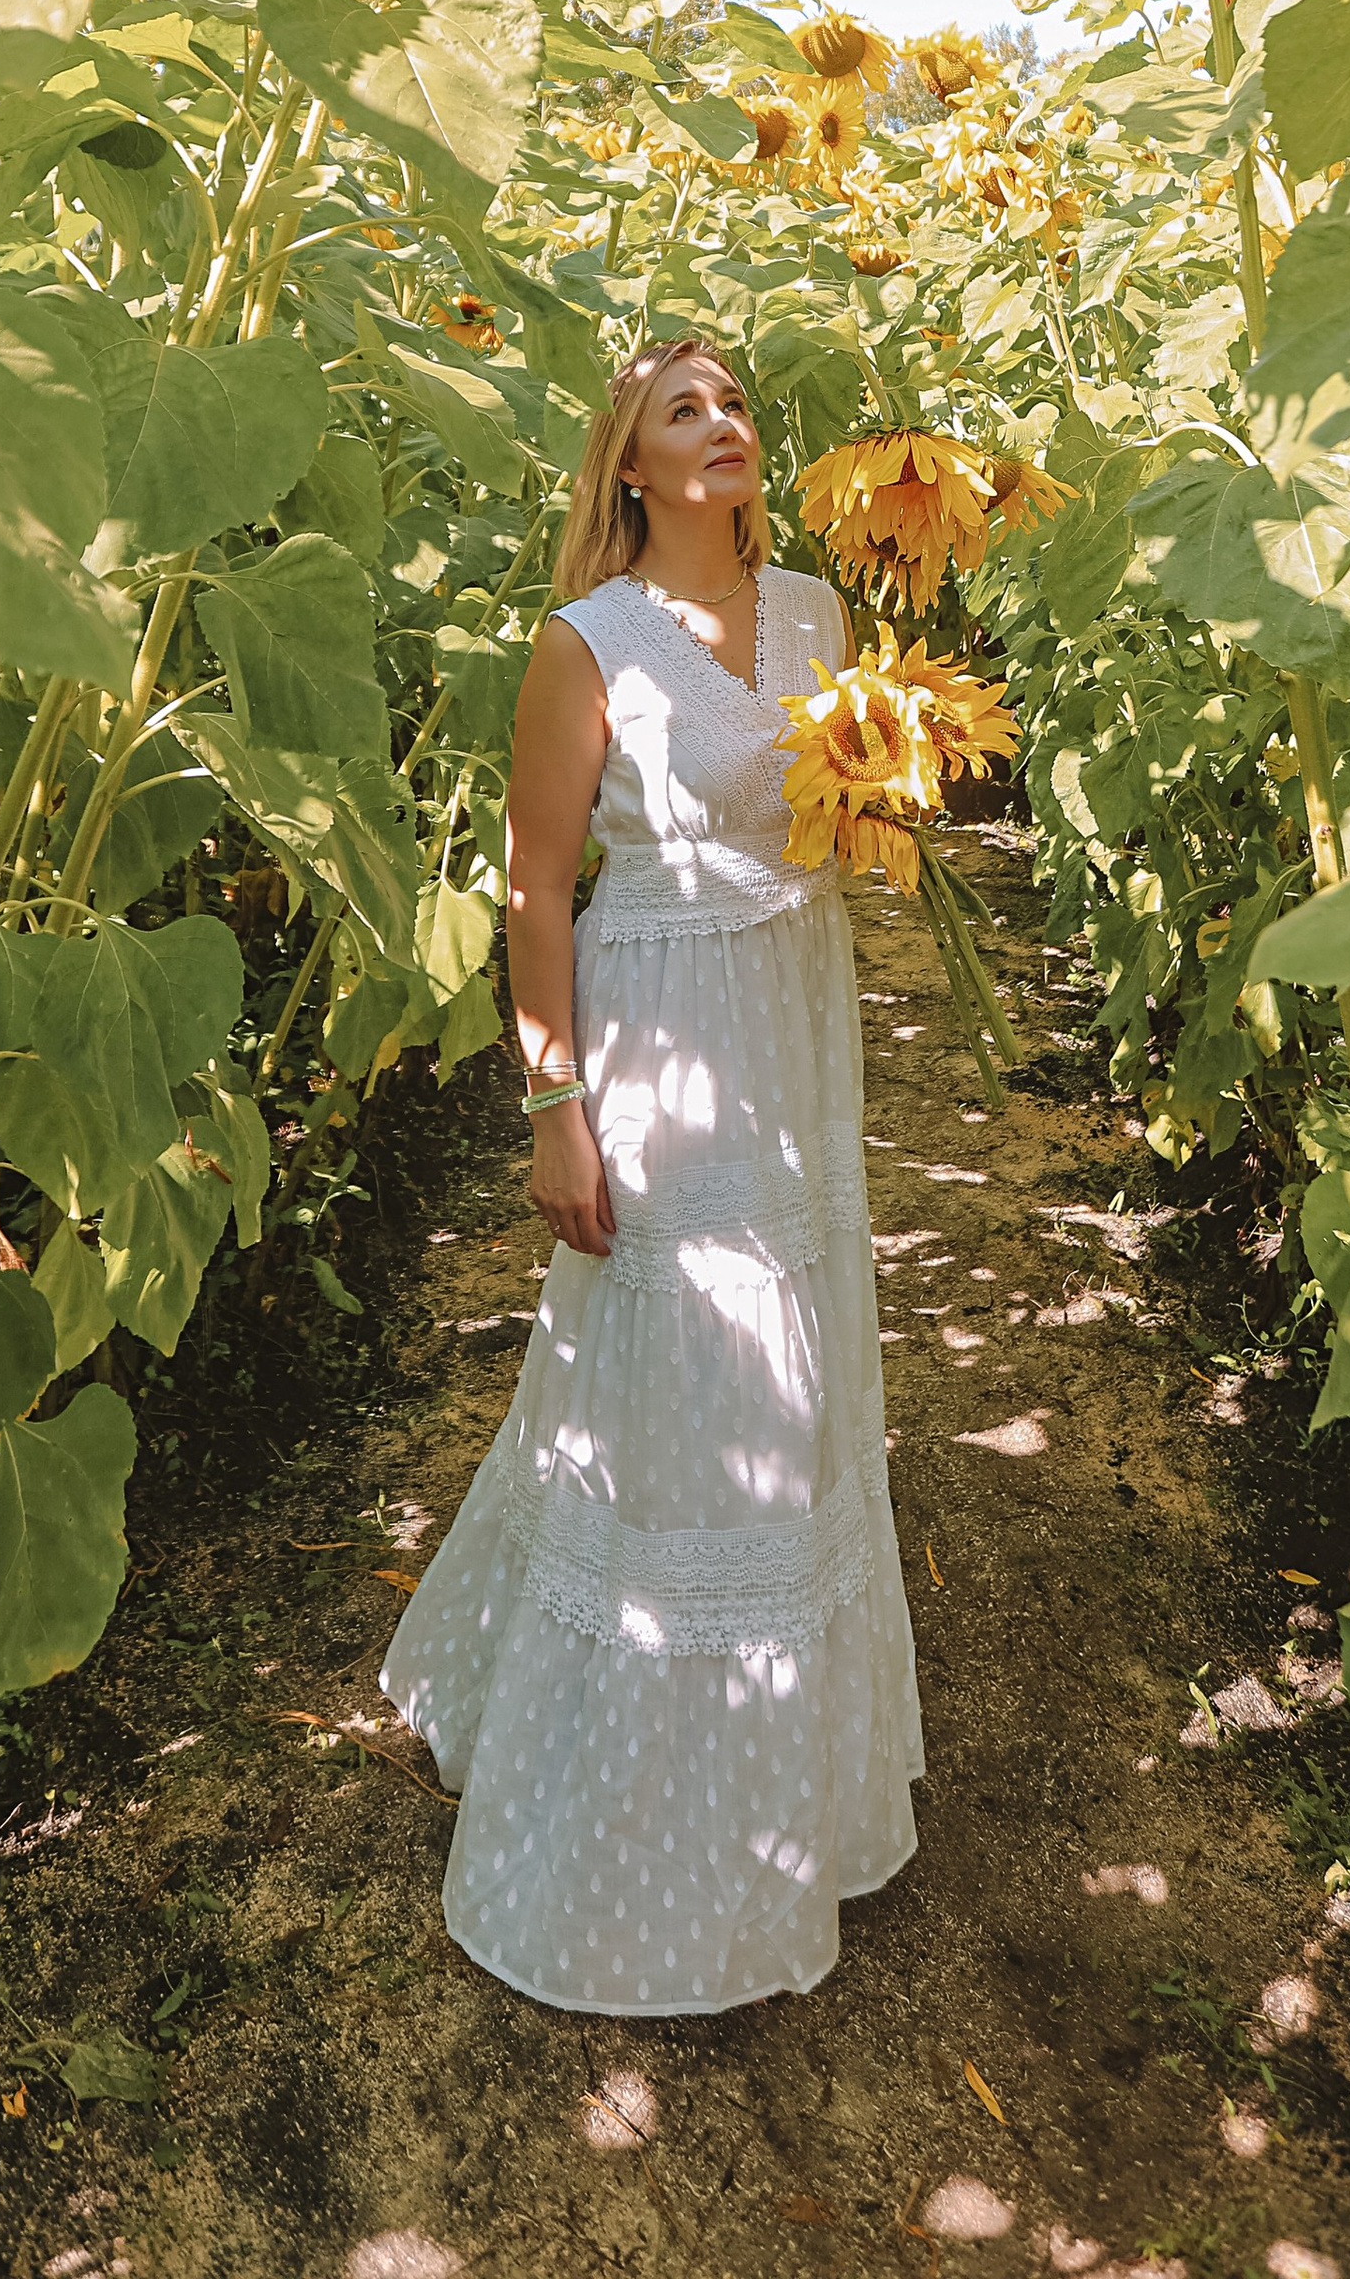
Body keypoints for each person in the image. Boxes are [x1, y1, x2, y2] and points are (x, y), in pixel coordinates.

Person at [380, 336, 924, 2012]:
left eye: (740, 402)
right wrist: (556, 1108)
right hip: (664, 1025)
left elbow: (839, 813)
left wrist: (880, 816)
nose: (727, 425)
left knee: (795, 1371)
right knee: (680, 1371)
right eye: (686, 409)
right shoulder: (588, 642)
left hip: (792, 1014)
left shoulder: (823, 618)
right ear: (629, 462)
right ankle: (637, 1808)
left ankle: (794, 1786)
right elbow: (539, 890)